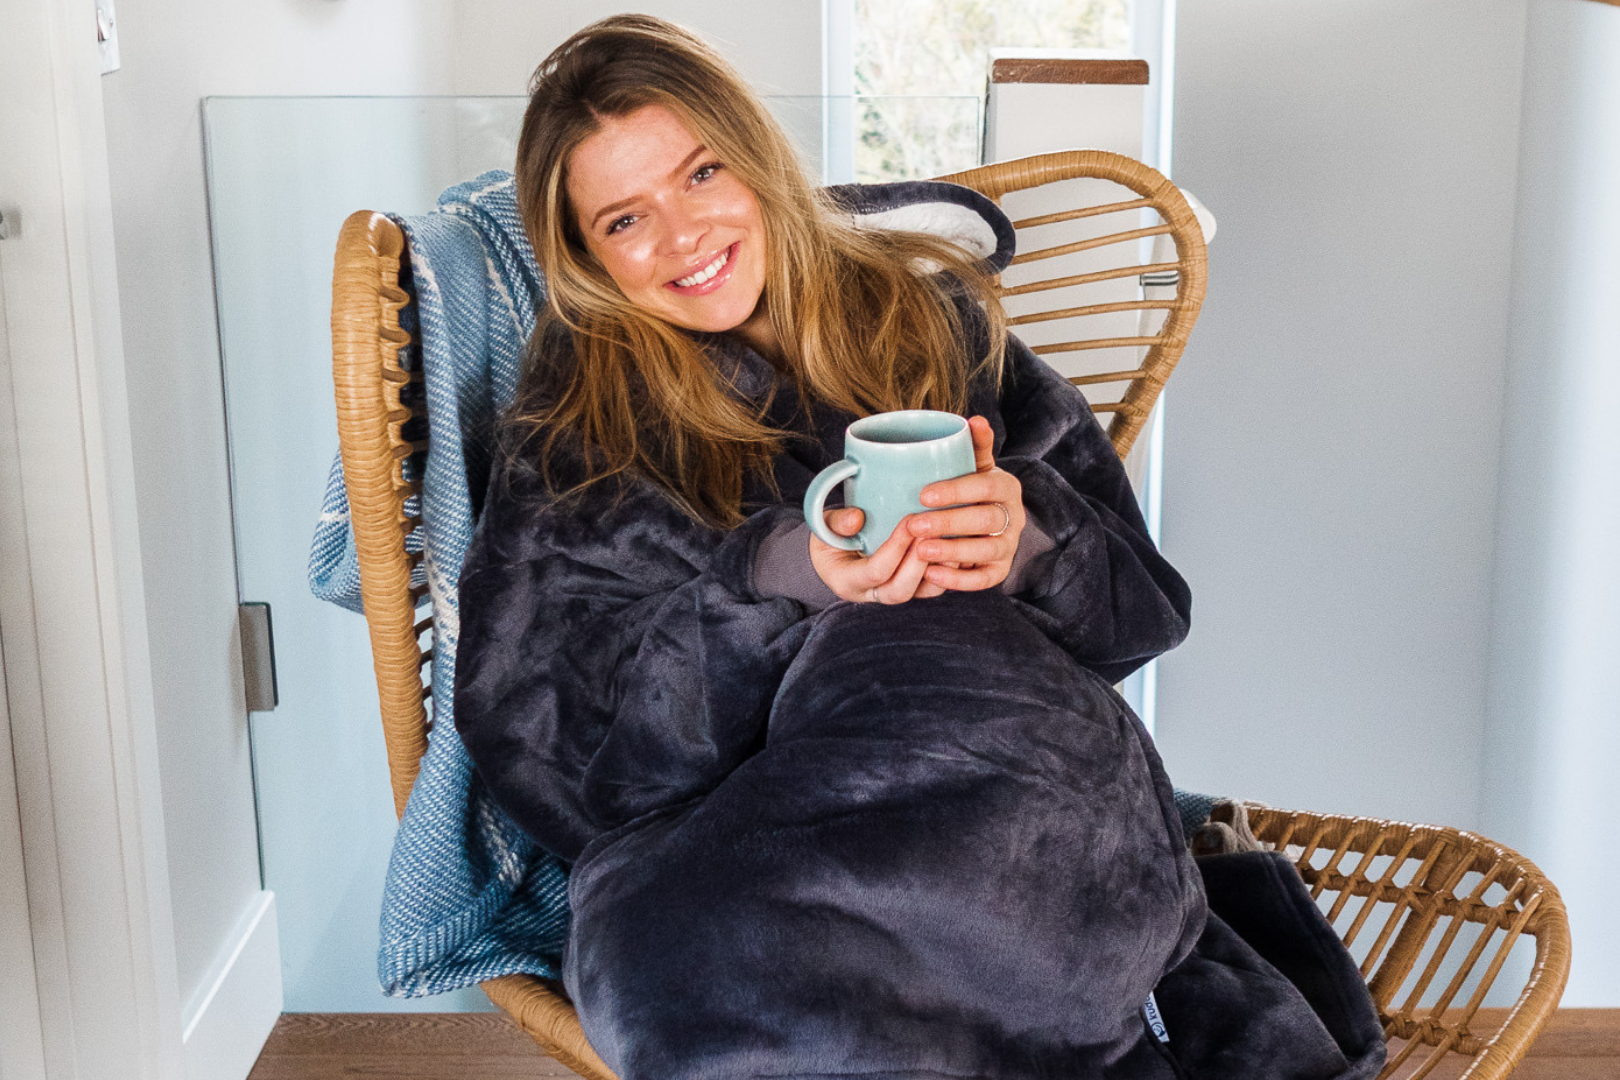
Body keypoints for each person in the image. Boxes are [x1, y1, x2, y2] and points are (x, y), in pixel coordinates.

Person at [454, 14, 1384, 1080]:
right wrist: (782, 580)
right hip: (743, 834)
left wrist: (1026, 539)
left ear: (755, 159)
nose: (684, 234)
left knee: (1018, 886)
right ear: (585, 255)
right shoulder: (583, 425)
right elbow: (549, 738)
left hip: (1001, 773)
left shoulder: (929, 318)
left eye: (702, 172)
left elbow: (1142, 610)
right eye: (625, 218)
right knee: (686, 956)